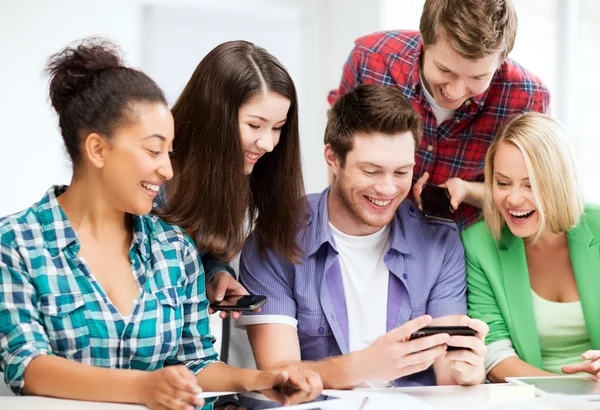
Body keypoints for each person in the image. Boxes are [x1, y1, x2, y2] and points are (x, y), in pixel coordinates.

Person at [0, 38, 321, 409]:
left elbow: (195, 363)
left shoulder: (174, 248)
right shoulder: (17, 243)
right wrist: (143, 388)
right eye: (154, 151)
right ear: (98, 149)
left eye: (169, 152)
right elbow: (28, 366)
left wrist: (264, 379)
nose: (168, 169)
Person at [238, 84, 489, 389]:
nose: (387, 189)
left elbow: (447, 373)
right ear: (332, 158)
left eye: (401, 173)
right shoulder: (275, 238)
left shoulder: (440, 242)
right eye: (371, 171)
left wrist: (467, 372)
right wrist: (366, 366)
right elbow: (278, 377)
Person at [328, 0, 550, 230]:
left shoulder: (528, 98)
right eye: (445, 70)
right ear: (424, 40)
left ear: (501, 60)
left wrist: (466, 190)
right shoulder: (370, 59)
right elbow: (340, 152)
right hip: (371, 231)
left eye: (477, 78)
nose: (454, 92)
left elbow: (536, 194)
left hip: (467, 241)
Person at [157, 40, 305, 318]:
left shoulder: (237, 174)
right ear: (214, 115)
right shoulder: (152, 178)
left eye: (278, 128)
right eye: (254, 125)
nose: (268, 144)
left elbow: (201, 256)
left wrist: (215, 275)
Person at [462, 112, 600, 382]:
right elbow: (495, 355)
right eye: (502, 183)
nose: (513, 199)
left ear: (558, 183)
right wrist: (566, 392)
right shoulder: (479, 244)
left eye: (531, 185)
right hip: (530, 399)